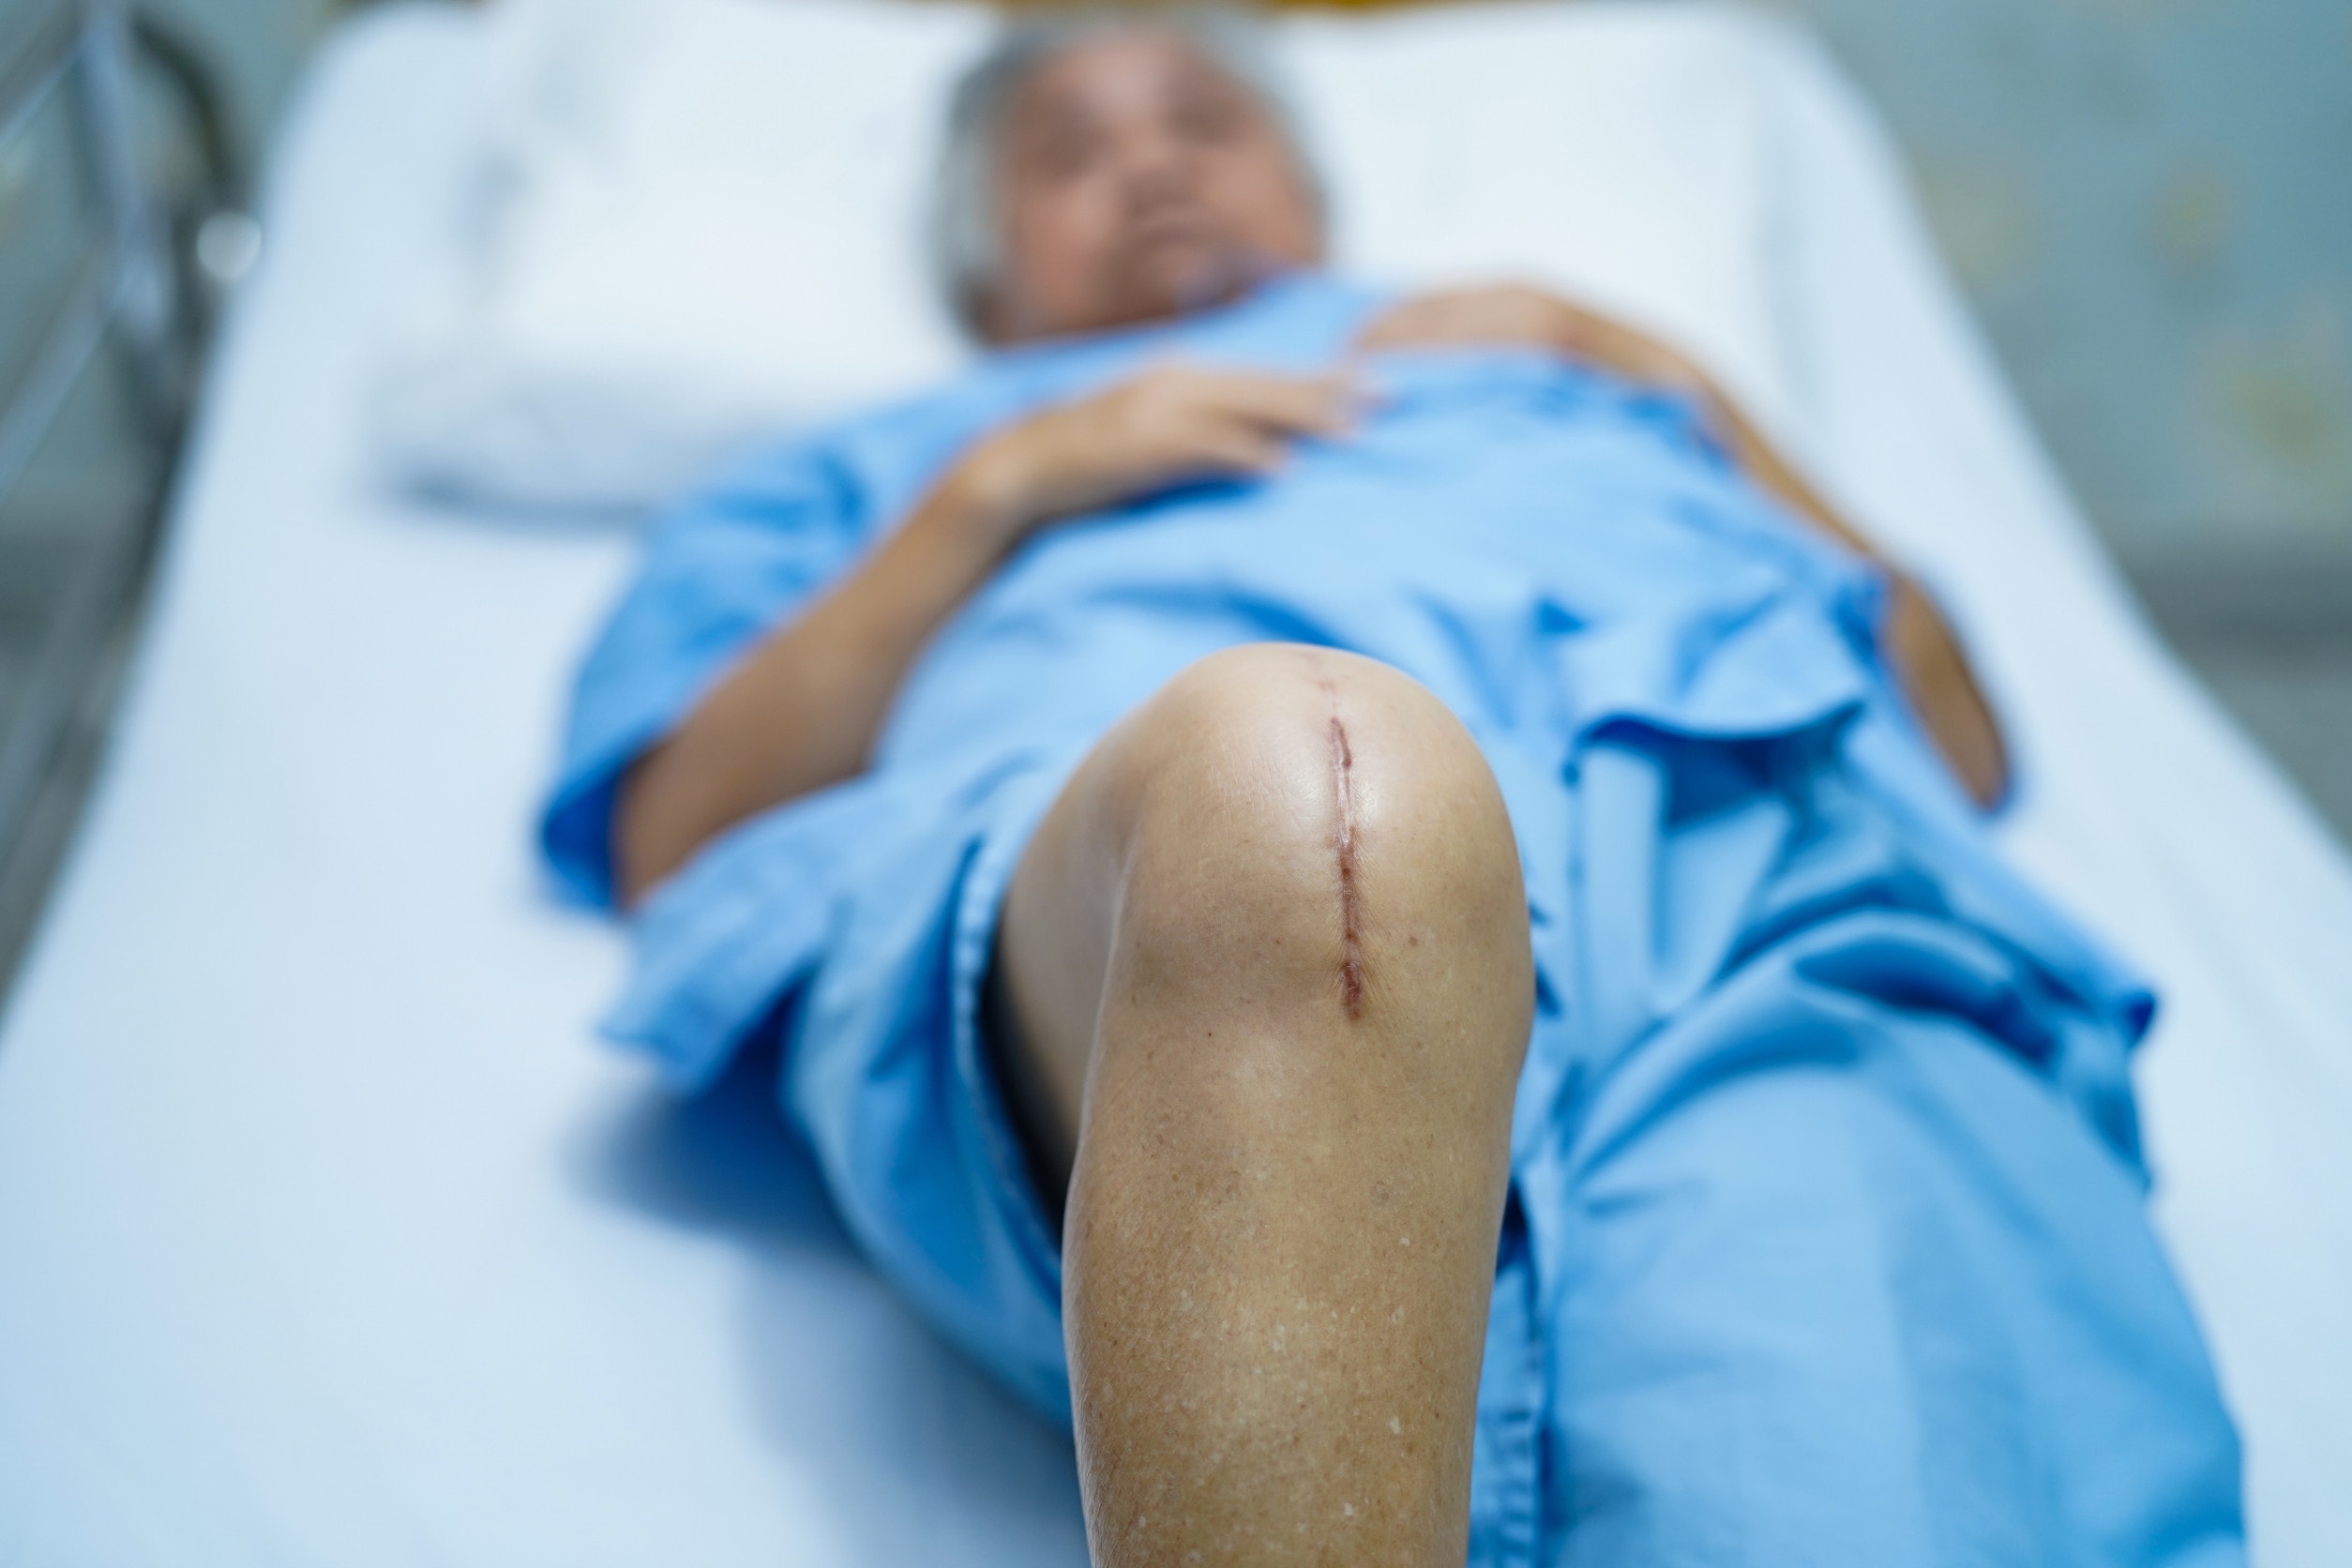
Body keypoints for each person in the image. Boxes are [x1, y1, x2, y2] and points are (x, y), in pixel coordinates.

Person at [541, 13, 2241, 1565]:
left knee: (1843, 1476)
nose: (1149, 165)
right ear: (986, 278)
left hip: (1752, 887)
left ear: (1306, 183)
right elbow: (672, 832)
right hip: (1147, 901)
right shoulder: (888, 459)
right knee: (1311, 799)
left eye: (1203, 121)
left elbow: (1961, 739)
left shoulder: (1546, 360)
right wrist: (1003, 491)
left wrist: (1667, 374)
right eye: (1066, 154)